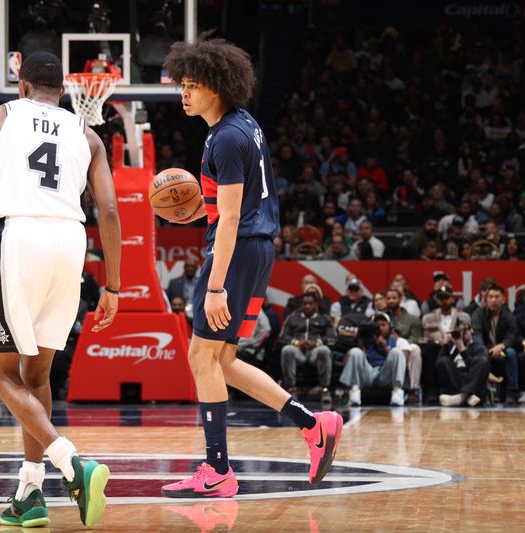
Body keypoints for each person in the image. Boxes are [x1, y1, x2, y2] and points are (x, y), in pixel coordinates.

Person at [159, 38, 342, 499]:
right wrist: (194, 210)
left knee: (201, 357)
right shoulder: (242, 125)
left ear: (216, 87)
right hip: (256, 249)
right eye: (182, 84)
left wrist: (215, 286)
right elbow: (228, 205)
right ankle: (313, 424)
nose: (183, 93)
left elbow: (233, 216)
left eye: (192, 85)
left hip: (238, 251)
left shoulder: (226, 137)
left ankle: (217, 469)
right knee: (223, 360)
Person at [0, 51, 120, 528]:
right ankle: (30, 493)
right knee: (38, 375)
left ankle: (72, 463)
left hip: (20, 238)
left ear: (23, 86)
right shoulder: (88, 134)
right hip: (72, 242)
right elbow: (109, 214)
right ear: (65, 92)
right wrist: (113, 284)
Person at [279, 293, 336, 404]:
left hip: (315, 351)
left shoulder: (324, 319)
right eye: (305, 304)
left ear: (316, 305)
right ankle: (291, 389)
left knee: (324, 350)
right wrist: (296, 342)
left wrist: (317, 343)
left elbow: (332, 337)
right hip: (298, 351)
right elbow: (283, 336)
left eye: (311, 303)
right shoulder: (292, 318)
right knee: (287, 350)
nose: (307, 306)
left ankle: (324, 389)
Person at [435, 322, 490, 407]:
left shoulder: (479, 347)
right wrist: (445, 344)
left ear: (471, 331)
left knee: (482, 362)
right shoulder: (451, 347)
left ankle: (461, 397)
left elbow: (479, 367)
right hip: (456, 384)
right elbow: (439, 363)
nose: (462, 335)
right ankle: (466, 397)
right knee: (443, 360)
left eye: (465, 331)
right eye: (459, 332)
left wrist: (462, 349)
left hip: (473, 386)